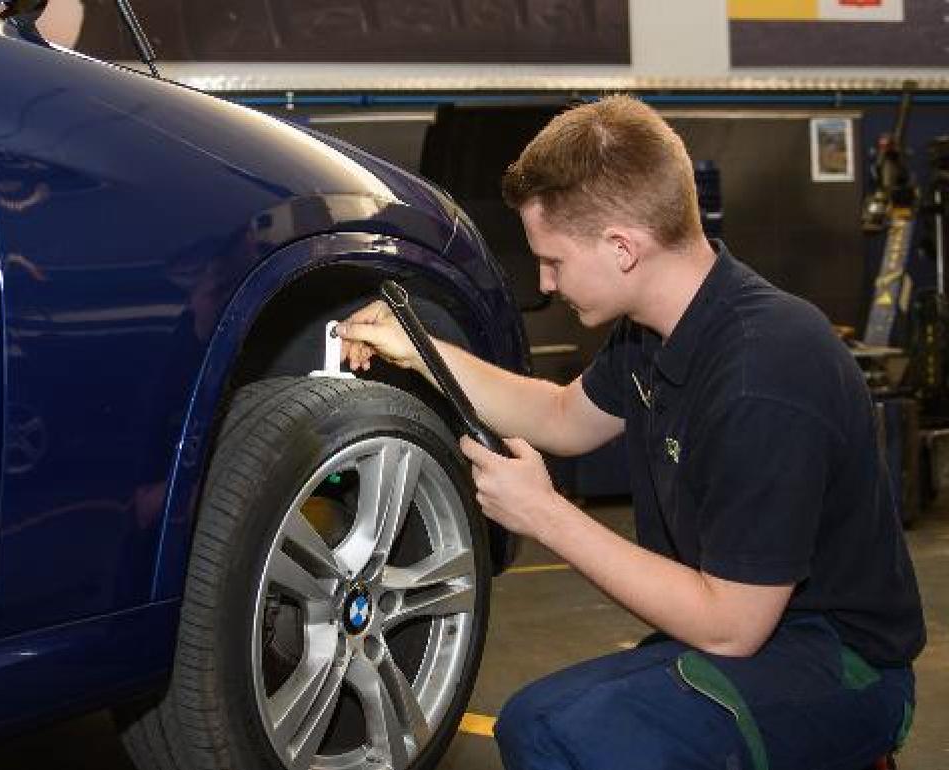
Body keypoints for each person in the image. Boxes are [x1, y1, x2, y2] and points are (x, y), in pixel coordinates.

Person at [335, 94, 924, 770]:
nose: (547, 283)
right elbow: (561, 418)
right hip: (760, 634)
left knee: (561, 734)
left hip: (842, 662)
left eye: (553, 260)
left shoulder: (764, 371)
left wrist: (545, 515)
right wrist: (421, 350)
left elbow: (732, 627)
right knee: (534, 721)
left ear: (622, 247)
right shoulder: (652, 337)